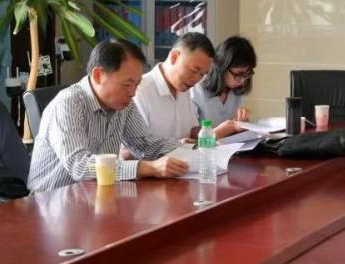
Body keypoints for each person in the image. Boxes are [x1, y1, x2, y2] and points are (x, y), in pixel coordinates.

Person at [27, 39, 188, 193]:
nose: (133, 92)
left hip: (97, 196)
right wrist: (146, 168)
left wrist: (190, 151)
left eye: (137, 84)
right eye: (127, 84)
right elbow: (80, 166)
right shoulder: (68, 104)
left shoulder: (124, 105)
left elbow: (146, 146)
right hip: (51, 202)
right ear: (98, 75)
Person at [133, 32, 240, 141]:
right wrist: (177, 146)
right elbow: (132, 148)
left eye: (202, 74)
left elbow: (191, 132)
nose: (196, 79)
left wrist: (226, 130)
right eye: (194, 70)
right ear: (174, 57)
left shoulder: (185, 90)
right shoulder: (140, 91)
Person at [191, 36, 257, 125]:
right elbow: (191, 131)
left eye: (246, 74)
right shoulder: (196, 91)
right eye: (238, 74)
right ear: (222, 67)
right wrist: (227, 129)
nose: (242, 80)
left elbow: (234, 125)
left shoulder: (235, 91)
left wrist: (242, 124)